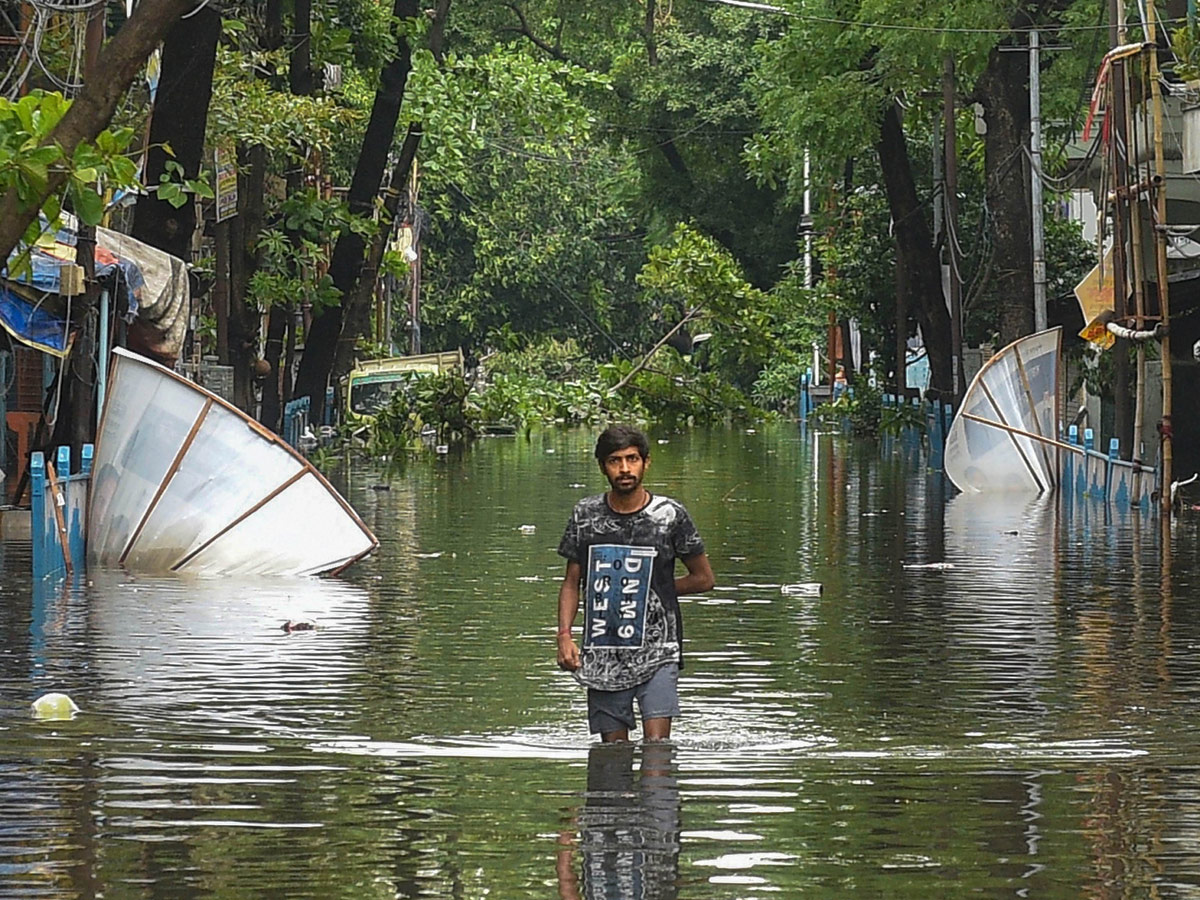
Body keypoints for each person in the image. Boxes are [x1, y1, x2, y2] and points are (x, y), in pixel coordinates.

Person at [556, 424, 714, 743]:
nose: (625, 469)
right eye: (615, 460)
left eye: (632, 459)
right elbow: (573, 581)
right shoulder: (585, 515)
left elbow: (704, 579)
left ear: (646, 462)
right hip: (603, 651)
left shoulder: (669, 516)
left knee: (657, 753)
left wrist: (648, 589)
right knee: (612, 756)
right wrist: (564, 635)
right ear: (602, 466)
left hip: (658, 648)